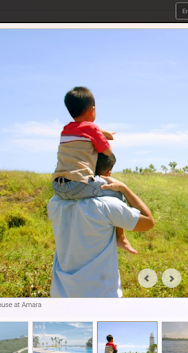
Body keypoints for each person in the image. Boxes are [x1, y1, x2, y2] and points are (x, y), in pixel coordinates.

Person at [51, 86, 137, 254]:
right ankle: (121, 238)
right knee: (117, 192)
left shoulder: (65, 130)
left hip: (58, 187)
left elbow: (83, 129)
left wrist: (100, 132)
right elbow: (108, 152)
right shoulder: (91, 129)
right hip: (79, 185)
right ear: (92, 110)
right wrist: (99, 133)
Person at [48, 166, 155, 297]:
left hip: (61, 295)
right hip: (100, 295)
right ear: (107, 174)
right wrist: (124, 188)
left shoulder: (55, 203)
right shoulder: (107, 205)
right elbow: (148, 222)